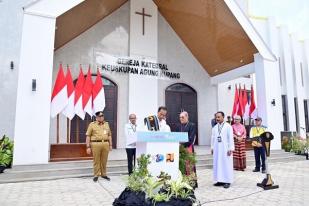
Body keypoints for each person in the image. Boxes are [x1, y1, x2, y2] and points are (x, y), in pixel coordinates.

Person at [86, 111, 112, 182]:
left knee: (104, 160)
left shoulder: (106, 124)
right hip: (95, 144)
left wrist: (110, 145)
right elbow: (88, 136)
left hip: (105, 144)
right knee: (96, 160)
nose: (101, 117)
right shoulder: (92, 124)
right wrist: (88, 147)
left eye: (102, 116)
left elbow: (109, 135)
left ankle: (103, 174)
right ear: (97, 117)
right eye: (100, 116)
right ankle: (96, 175)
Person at [211, 111, 234, 189]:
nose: (217, 118)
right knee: (218, 164)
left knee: (226, 164)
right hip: (217, 149)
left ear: (223, 117)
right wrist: (212, 148)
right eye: (216, 117)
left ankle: (227, 181)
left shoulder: (228, 126)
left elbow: (230, 138)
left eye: (218, 117)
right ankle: (220, 180)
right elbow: (213, 138)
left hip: (225, 149)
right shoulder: (214, 128)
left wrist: (230, 148)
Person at [176, 111, 198, 188]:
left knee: (189, 166)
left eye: (183, 117)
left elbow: (191, 138)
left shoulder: (192, 125)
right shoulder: (179, 126)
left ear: (187, 117)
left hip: (188, 147)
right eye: (180, 117)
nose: (181, 119)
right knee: (181, 165)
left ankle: (191, 183)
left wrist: (183, 144)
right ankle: (182, 182)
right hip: (180, 148)